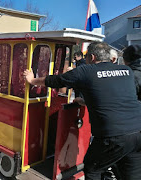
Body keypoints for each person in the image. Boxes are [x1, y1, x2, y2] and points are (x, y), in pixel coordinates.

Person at [24, 42, 141, 179]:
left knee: (92, 169)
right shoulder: (126, 71)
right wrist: (85, 101)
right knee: (132, 174)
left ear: (91, 57)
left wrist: (32, 80)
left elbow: (56, 80)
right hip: (138, 132)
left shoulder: (86, 71)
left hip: (112, 136)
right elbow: (114, 95)